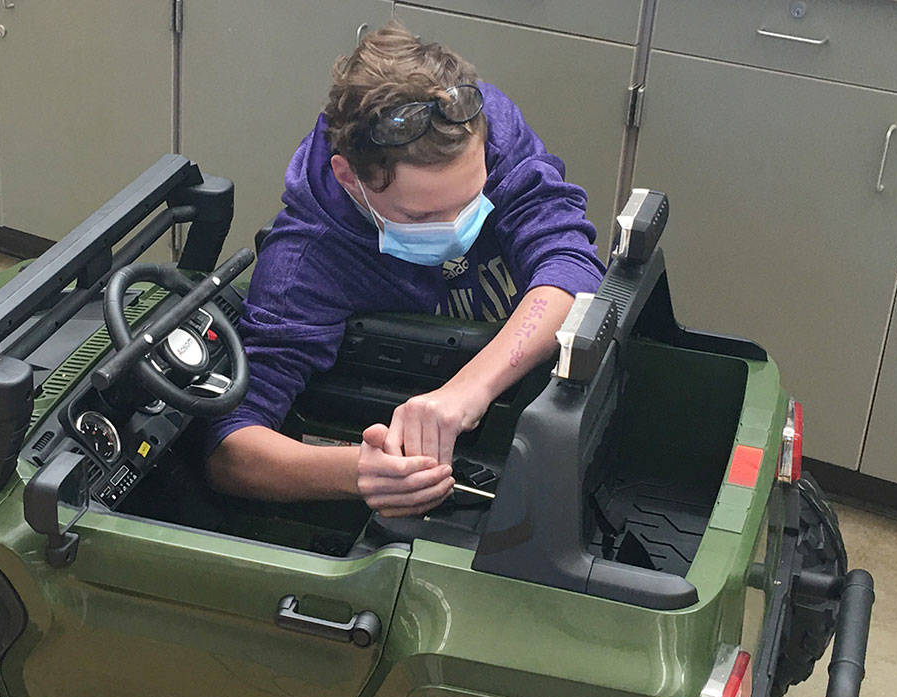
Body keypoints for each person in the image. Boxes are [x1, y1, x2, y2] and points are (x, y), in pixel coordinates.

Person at [204, 21, 605, 517]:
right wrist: (358, 472)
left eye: (472, 199)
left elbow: (570, 266)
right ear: (350, 178)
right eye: (421, 216)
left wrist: (466, 391)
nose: (459, 227)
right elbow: (229, 451)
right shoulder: (306, 266)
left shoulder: (473, 123)